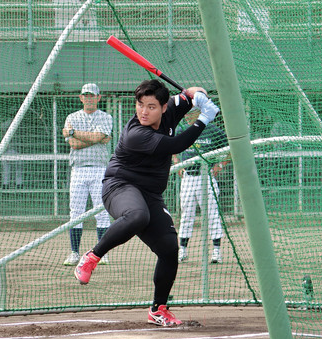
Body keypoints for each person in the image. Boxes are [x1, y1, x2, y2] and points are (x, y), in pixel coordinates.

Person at [73, 79, 220, 326]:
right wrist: (203, 118)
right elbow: (178, 144)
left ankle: (158, 309)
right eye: (140, 105)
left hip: (151, 194)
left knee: (169, 249)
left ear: (164, 107)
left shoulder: (172, 107)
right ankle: (92, 256)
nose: (143, 111)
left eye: (151, 106)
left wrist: (200, 96)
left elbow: (193, 92)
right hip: (119, 186)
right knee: (137, 216)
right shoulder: (136, 134)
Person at [62, 83, 112, 266]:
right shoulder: (72, 117)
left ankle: (102, 253)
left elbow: (98, 137)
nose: (89, 98)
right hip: (78, 169)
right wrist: (96, 137)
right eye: (86, 95)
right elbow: (74, 144)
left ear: (99, 97)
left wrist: (75, 133)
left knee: (102, 210)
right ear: (81, 97)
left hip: (99, 168)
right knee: (76, 212)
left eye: (92, 95)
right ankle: (74, 252)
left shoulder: (105, 117)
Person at [172, 107, 230, 264]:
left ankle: (216, 251)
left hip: (207, 177)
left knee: (212, 215)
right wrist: (177, 163)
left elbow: (229, 148)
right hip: (189, 178)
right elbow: (172, 147)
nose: (186, 116)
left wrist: (221, 165)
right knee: (187, 215)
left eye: (190, 113)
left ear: (199, 113)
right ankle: (182, 250)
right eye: (186, 113)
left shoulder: (212, 130)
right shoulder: (182, 128)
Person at [0, 107, 24, 190]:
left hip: (13, 148)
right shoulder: (12, 123)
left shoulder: (16, 124)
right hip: (8, 149)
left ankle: (8, 184)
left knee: (12, 168)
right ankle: (14, 184)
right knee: (14, 168)